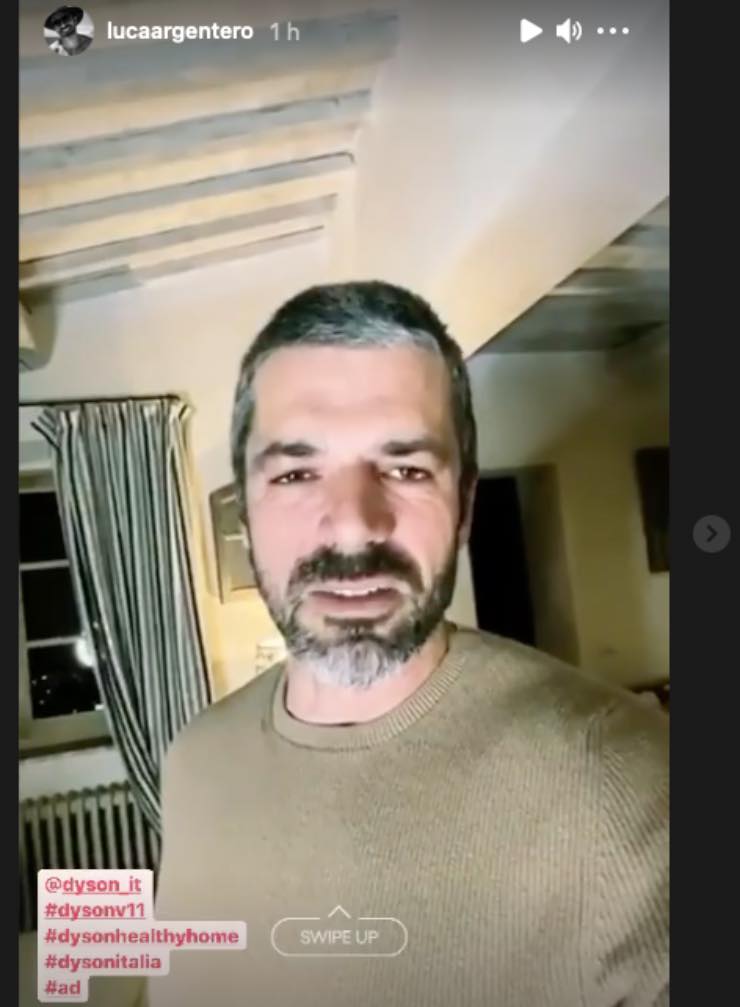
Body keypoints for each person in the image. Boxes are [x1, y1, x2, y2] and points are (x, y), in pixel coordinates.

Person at [147, 282, 668, 1007]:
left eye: (407, 469)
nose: (354, 526)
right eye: (295, 472)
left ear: (464, 508)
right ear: (246, 515)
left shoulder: (627, 777)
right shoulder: (193, 761)